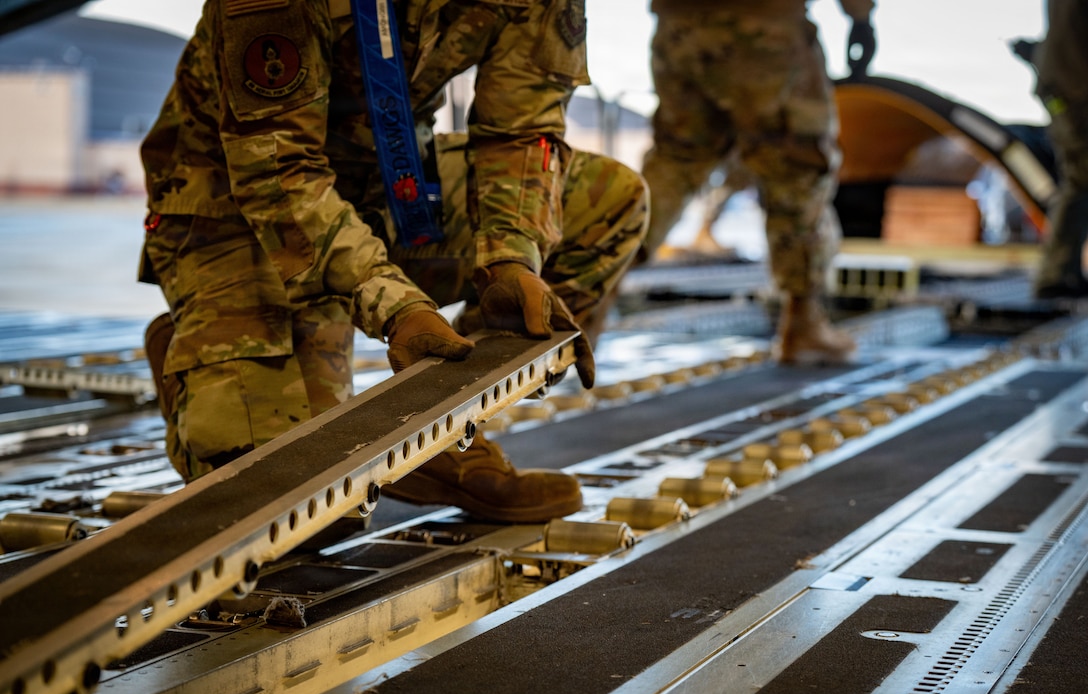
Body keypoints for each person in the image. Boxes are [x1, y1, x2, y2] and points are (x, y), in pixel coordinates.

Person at [138, 0, 647, 523]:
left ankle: (448, 430)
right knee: (300, 509)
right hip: (237, 213)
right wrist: (397, 307)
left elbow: (519, 134)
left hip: (390, 194)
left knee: (610, 200)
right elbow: (276, 172)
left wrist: (512, 260)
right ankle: (203, 345)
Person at [639, 0, 874, 364]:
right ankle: (804, 325)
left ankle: (588, 298)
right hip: (765, 25)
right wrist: (860, 16)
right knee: (795, 166)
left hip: (678, 25)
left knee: (674, 162)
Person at [1021, 0, 1088, 299]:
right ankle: (1055, 275)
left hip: (1066, 85)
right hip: (1071, 91)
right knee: (1081, 175)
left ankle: (1063, 272)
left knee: (1081, 175)